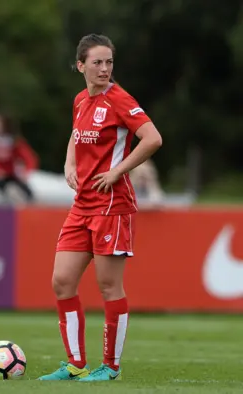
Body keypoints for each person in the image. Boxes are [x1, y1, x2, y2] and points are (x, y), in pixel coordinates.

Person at [37, 34, 162, 382]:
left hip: (112, 206)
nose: (105, 68)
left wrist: (118, 171)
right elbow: (78, 134)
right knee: (62, 281)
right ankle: (76, 364)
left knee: (109, 287)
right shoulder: (80, 100)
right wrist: (68, 162)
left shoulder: (120, 100)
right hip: (83, 206)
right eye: (97, 62)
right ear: (81, 66)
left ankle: (111, 367)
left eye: (109, 62)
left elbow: (153, 138)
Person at [0, 112, 39, 202]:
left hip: (10, 175)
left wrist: (26, 172)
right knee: (10, 190)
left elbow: (29, 158)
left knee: (28, 194)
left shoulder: (13, 140)